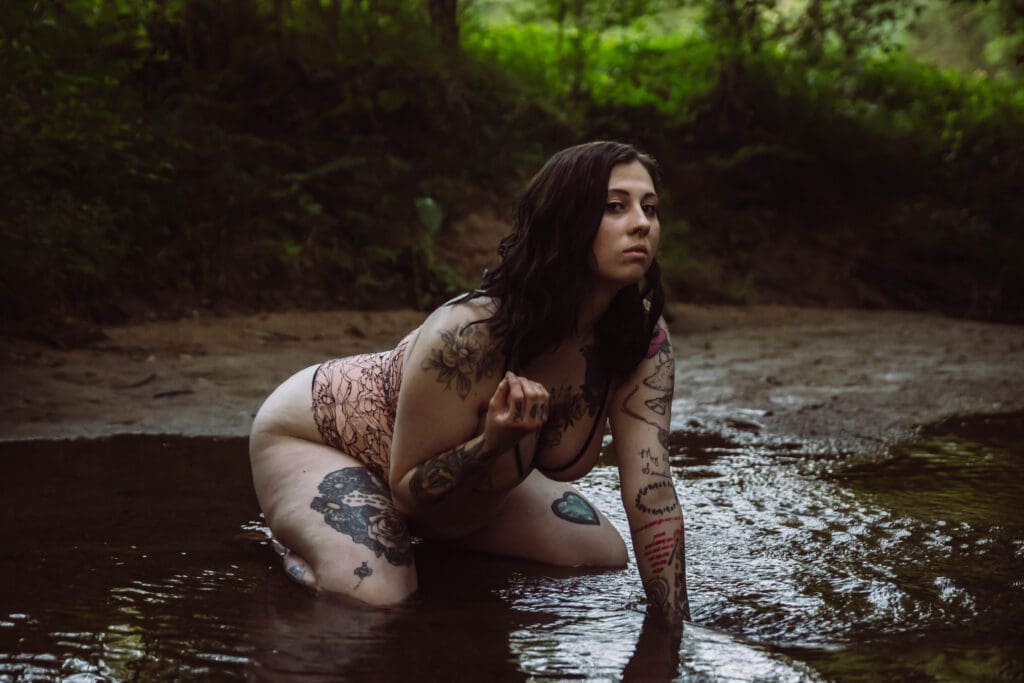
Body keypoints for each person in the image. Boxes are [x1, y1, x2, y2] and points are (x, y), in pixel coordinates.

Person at [249, 140, 690, 623]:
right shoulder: (470, 331)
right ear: (566, 220)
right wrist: (491, 445)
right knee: (377, 595)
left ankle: (414, 549)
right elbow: (407, 493)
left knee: (599, 553)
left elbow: (653, 491)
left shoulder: (641, 337)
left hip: (463, 491)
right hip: (321, 440)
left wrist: (673, 633)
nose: (642, 223)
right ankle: (301, 547)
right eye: (614, 207)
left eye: (650, 208)